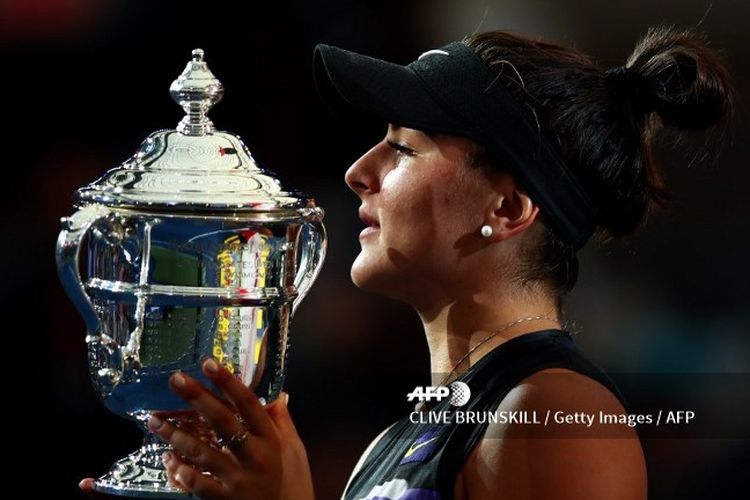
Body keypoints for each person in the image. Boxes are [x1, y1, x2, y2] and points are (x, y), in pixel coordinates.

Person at [81, 25, 735, 499]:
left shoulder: (550, 419)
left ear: (508, 208)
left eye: (403, 148)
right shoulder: (397, 439)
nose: (359, 172)